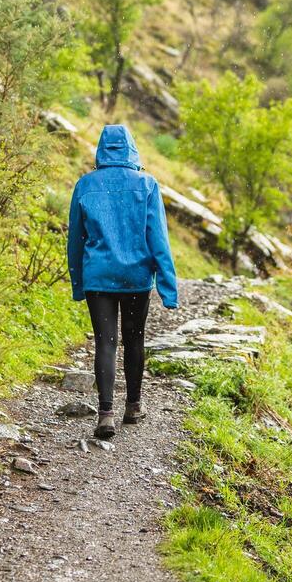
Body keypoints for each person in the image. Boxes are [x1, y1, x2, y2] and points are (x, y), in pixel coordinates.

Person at [66, 124, 180, 440]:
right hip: (136, 277)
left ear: (101, 150)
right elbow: (158, 239)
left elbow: (75, 240)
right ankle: (133, 405)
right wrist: (168, 287)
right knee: (134, 339)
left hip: (98, 277)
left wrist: (78, 283)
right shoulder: (146, 184)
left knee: (105, 341)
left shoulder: (86, 185)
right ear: (132, 148)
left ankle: (105, 414)